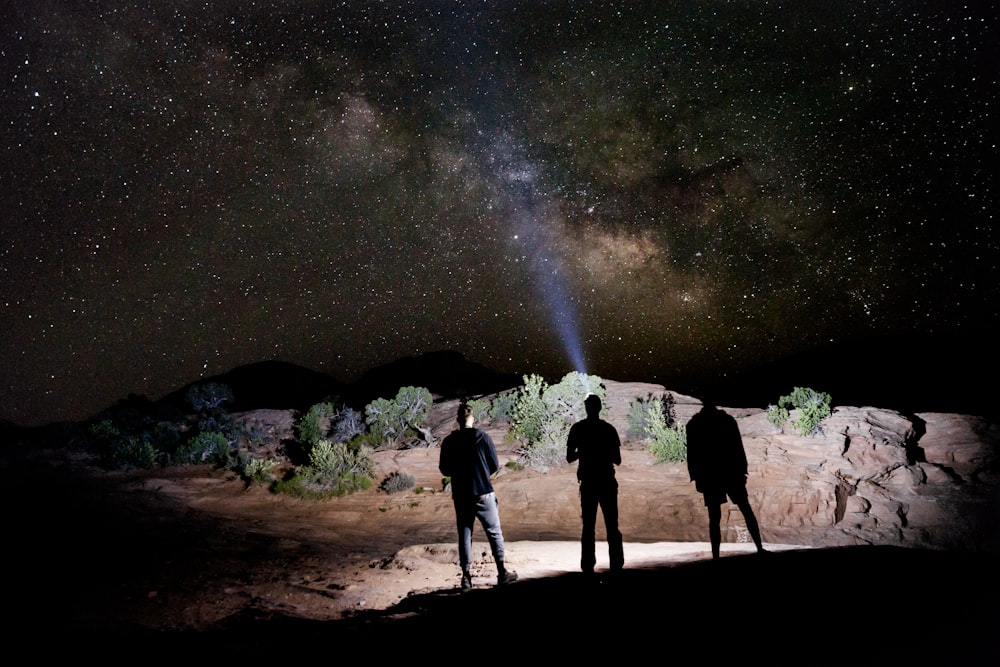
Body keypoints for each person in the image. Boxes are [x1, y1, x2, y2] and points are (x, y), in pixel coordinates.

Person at [438, 402, 517, 590]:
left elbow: (444, 469)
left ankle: (466, 577)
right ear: (472, 418)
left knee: (465, 535)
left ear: (458, 420)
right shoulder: (483, 438)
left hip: (461, 494)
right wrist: (480, 472)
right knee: (494, 532)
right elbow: (494, 465)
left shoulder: (449, 442)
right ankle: (502, 572)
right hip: (483, 491)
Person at [685, 402, 765, 559]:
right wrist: (743, 470)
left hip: (709, 475)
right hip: (731, 472)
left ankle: (716, 556)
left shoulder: (694, 424)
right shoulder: (727, 420)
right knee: (745, 509)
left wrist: (696, 476)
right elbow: (737, 446)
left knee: (714, 517)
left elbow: (692, 453)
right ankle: (759, 548)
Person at [566, 394, 624, 575]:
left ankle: (587, 565)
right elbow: (618, 460)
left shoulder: (578, 428)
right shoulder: (608, 429)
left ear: (586, 408)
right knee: (612, 524)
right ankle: (616, 563)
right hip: (607, 480)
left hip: (588, 482)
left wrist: (583, 452)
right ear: (599, 408)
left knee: (588, 526)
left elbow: (569, 457)